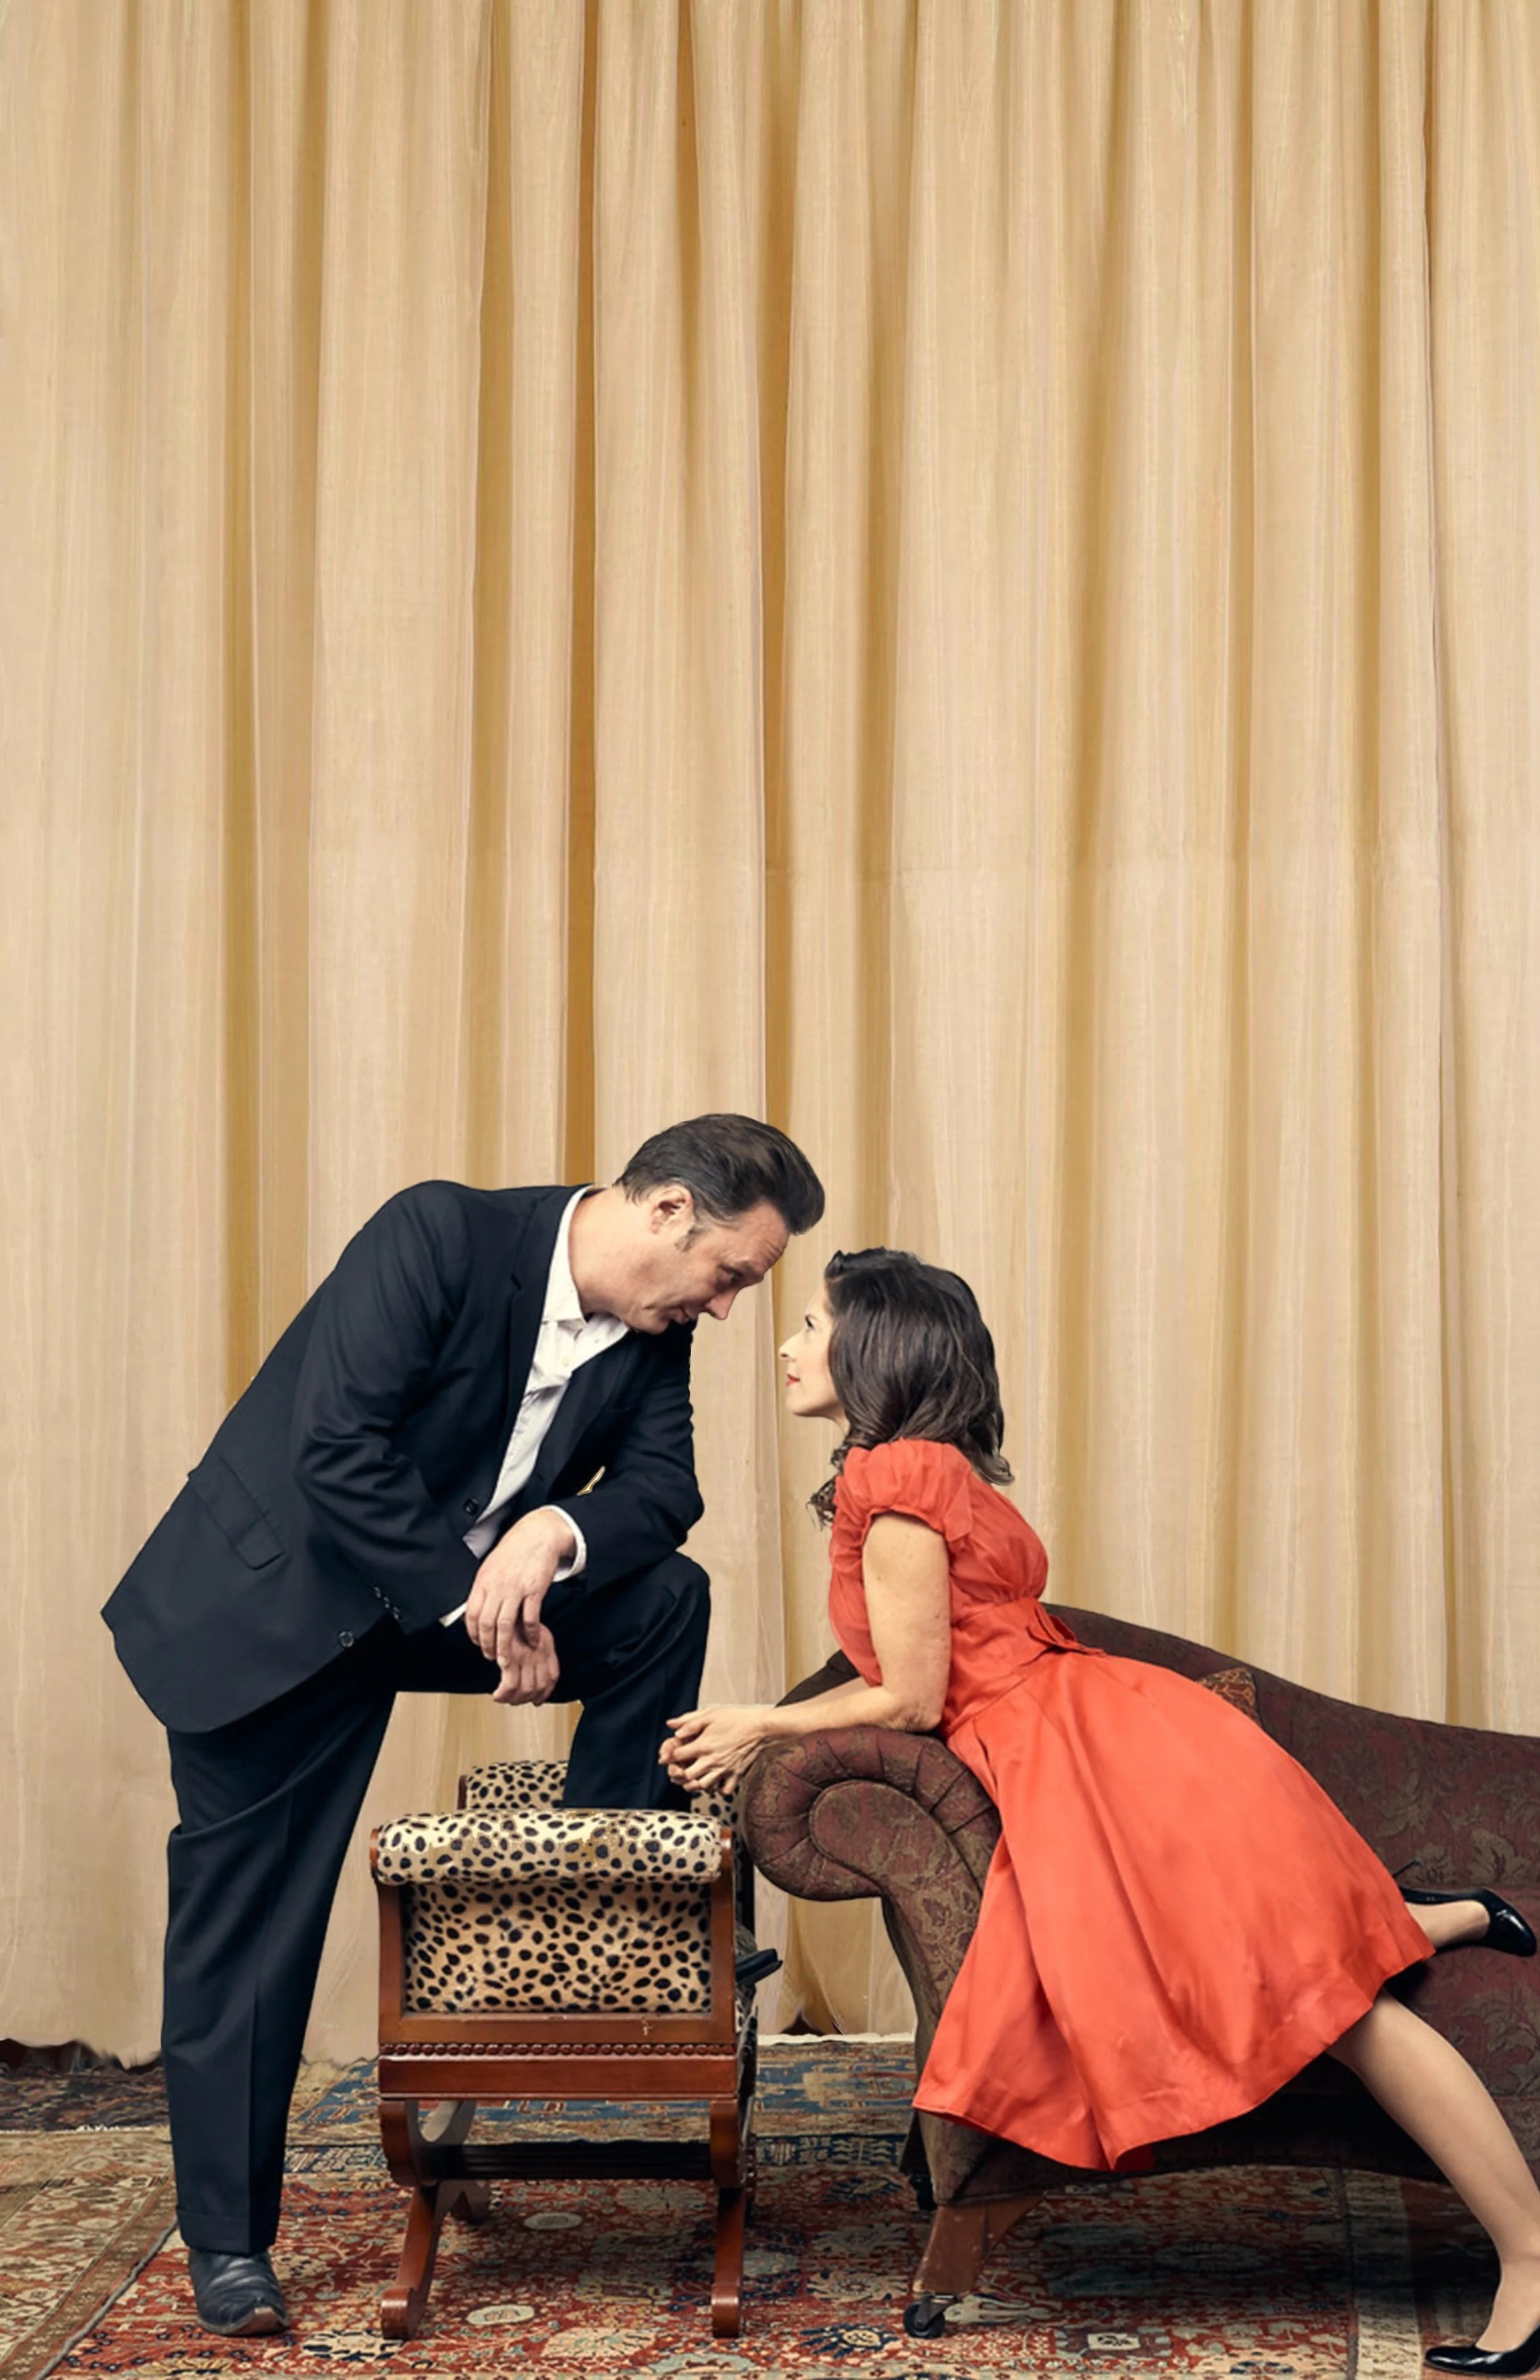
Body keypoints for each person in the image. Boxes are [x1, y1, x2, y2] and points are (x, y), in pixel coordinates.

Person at [662, 1247, 1540, 2377]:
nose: (787, 1346)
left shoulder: (895, 1482)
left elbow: (913, 1694)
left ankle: (1527, 2257)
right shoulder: (933, 1469)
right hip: (1112, 1735)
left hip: (1096, 1757)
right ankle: (1457, 1915)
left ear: (877, 1345)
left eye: (813, 1324)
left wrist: (758, 1722)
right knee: (1290, 1972)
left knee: (1336, 2009)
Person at [103, 1113, 824, 2340]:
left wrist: (556, 1533)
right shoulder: (439, 1232)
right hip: (274, 1609)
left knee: (662, 1595)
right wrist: (474, 1600)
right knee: (250, 1932)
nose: (725, 1308)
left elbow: (666, 1490)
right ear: (667, 1216)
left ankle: (599, 1900)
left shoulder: (649, 1336)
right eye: (731, 1277)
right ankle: (228, 2241)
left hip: (443, 1597)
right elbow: (336, 1446)